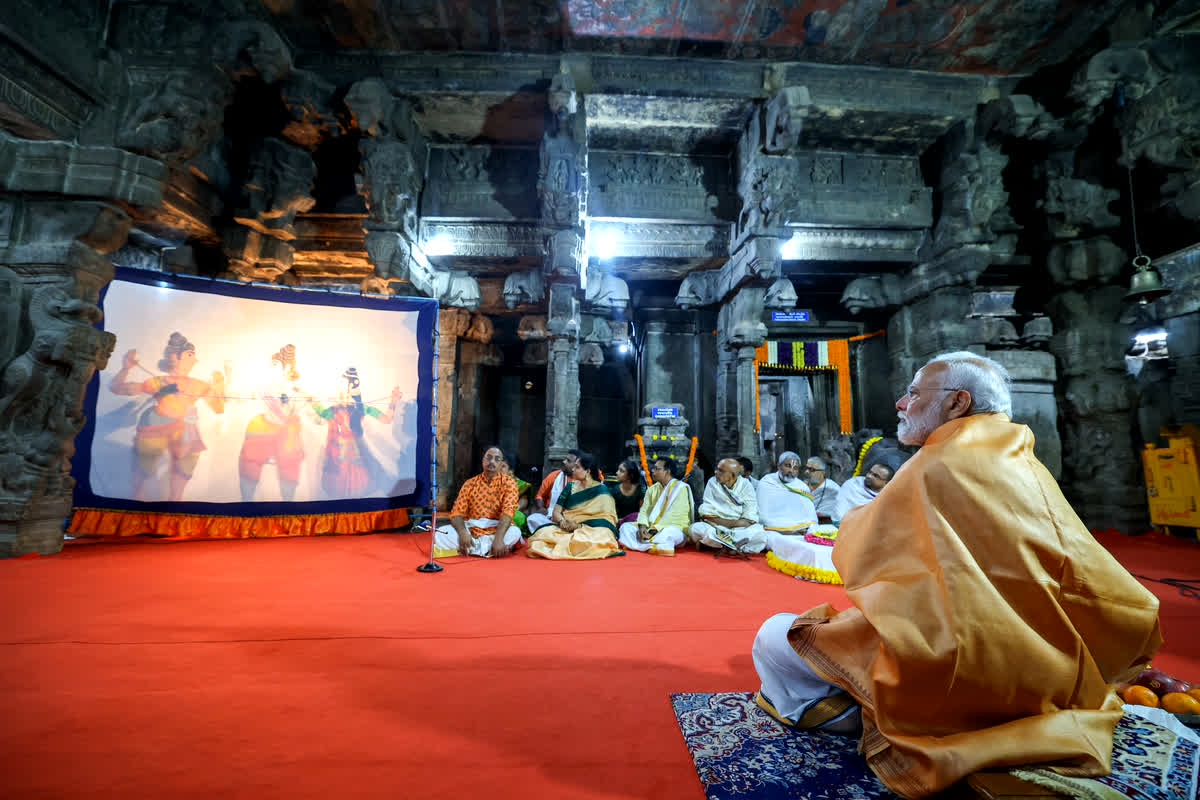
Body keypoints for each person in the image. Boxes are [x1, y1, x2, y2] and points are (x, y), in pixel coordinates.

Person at [751, 352, 1162, 798]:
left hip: (960, 667)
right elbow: (1093, 577)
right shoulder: (1022, 458)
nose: (900, 403)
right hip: (1053, 676)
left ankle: (869, 717)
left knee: (774, 635)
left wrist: (854, 524)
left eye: (913, 393)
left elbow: (858, 551)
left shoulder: (937, 462)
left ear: (957, 402)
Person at [110, 331, 226, 501]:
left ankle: (175, 506)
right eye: (190, 355)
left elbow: (219, 408)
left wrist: (219, 387)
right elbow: (117, 388)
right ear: (174, 356)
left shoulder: (198, 385)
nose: (195, 360)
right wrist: (126, 368)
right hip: (155, 426)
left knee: (184, 470)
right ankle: (137, 509)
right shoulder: (157, 382)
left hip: (186, 429)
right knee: (143, 474)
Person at [312, 367, 401, 498]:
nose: (339, 388)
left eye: (343, 384)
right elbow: (319, 418)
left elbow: (386, 419)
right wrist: (312, 401)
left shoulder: (360, 408)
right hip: (338, 456)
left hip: (355, 455)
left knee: (355, 489)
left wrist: (393, 402)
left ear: (350, 389)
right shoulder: (334, 409)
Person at [238, 344, 306, 502]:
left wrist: (293, 400)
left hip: (287, 434)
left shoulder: (294, 390)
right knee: (249, 471)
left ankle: (288, 510)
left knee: (288, 478)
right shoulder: (263, 388)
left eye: (278, 365)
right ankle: (246, 507)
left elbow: (305, 410)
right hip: (263, 430)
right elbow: (240, 397)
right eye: (273, 365)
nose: (274, 369)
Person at [527, 452, 621, 560]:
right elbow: (556, 512)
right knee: (542, 534)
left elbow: (607, 519)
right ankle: (576, 545)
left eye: (577, 467)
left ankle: (573, 544)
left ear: (588, 471)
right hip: (567, 527)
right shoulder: (570, 487)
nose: (573, 470)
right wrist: (562, 522)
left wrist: (579, 526)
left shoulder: (602, 490)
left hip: (593, 529)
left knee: (603, 535)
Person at [432, 446, 521, 558]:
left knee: (515, 532)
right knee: (440, 533)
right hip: (471, 527)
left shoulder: (510, 483)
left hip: (496, 528)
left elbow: (507, 514)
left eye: (497, 459)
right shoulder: (470, 483)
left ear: (501, 464)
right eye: (488, 458)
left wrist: (498, 539)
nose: (492, 462)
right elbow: (457, 514)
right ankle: (486, 550)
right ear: (483, 460)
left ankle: (470, 549)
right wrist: (463, 533)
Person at [618, 457, 693, 555]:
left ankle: (641, 545)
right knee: (625, 527)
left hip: (674, 527)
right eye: (653, 468)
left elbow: (674, 516)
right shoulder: (652, 489)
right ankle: (652, 546)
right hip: (650, 527)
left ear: (667, 471)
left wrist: (653, 531)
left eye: (657, 469)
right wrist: (643, 527)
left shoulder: (680, 489)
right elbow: (644, 510)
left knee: (668, 534)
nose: (652, 471)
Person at [689, 457, 765, 553]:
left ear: (732, 475)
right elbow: (707, 513)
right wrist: (730, 524)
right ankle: (734, 546)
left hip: (739, 529)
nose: (716, 472)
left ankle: (719, 544)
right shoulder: (712, 482)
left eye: (721, 471)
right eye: (717, 469)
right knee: (695, 528)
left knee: (759, 533)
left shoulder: (746, 485)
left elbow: (750, 515)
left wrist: (732, 525)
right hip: (716, 526)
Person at [756, 451, 817, 534]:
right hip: (771, 528)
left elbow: (810, 515)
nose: (791, 471)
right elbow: (762, 513)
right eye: (788, 466)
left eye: (795, 468)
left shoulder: (802, 487)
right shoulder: (767, 482)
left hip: (798, 529)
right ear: (779, 465)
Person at [526, 449, 583, 532]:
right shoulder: (554, 476)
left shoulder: (584, 481)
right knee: (533, 519)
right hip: (551, 518)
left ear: (577, 465)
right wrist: (541, 507)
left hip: (573, 521)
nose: (564, 462)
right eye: (565, 459)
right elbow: (540, 496)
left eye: (568, 461)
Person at [498, 450, 532, 533]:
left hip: (511, 512)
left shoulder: (521, 485)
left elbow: (522, 504)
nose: (498, 468)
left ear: (511, 470)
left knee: (518, 517)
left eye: (503, 466)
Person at [802, 456, 840, 522]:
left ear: (822, 473)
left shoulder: (832, 490)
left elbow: (835, 517)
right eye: (806, 468)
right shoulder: (800, 486)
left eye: (812, 470)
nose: (806, 472)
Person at [611, 459, 646, 525]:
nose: (617, 473)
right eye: (618, 470)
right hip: (618, 522)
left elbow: (642, 512)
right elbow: (612, 512)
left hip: (635, 522)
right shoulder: (615, 491)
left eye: (621, 471)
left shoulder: (640, 490)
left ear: (630, 476)